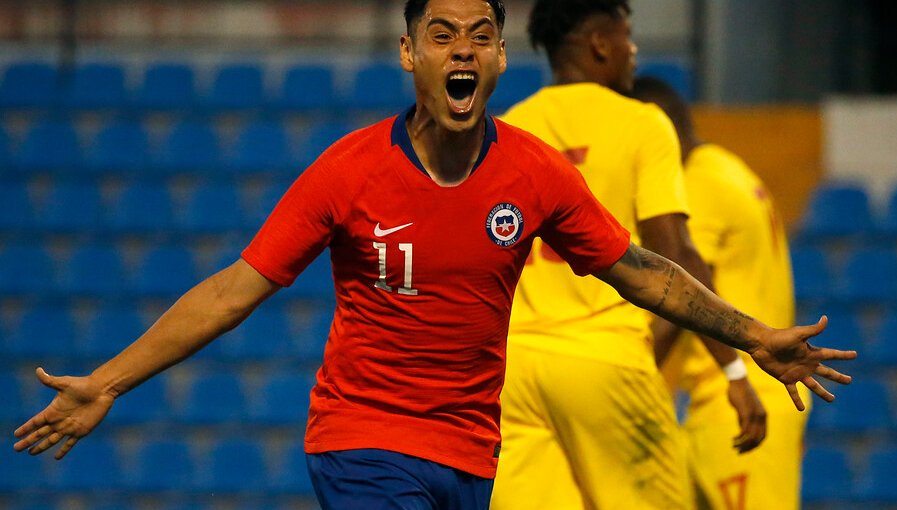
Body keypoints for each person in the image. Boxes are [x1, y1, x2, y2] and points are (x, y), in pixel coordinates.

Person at [13, 1, 853, 510]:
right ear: (410, 55)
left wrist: (750, 336)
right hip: (363, 442)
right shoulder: (349, 172)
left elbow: (639, 270)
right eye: (441, 34)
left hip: (470, 452)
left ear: (494, 60)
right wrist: (108, 382)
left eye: (480, 36)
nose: (462, 49)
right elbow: (237, 288)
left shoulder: (532, 172)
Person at [491, 2, 767, 509]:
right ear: (600, 43)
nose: (634, 51)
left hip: (515, 373)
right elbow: (677, 255)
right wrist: (733, 368)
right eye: (628, 35)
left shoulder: (506, 131)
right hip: (604, 360)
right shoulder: (642, 123)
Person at [631, 76, 811, 510]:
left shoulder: (697, 185)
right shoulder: (728, 168)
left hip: (737, 396)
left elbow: (684, 295)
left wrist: (631, 376)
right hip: (740, 392)